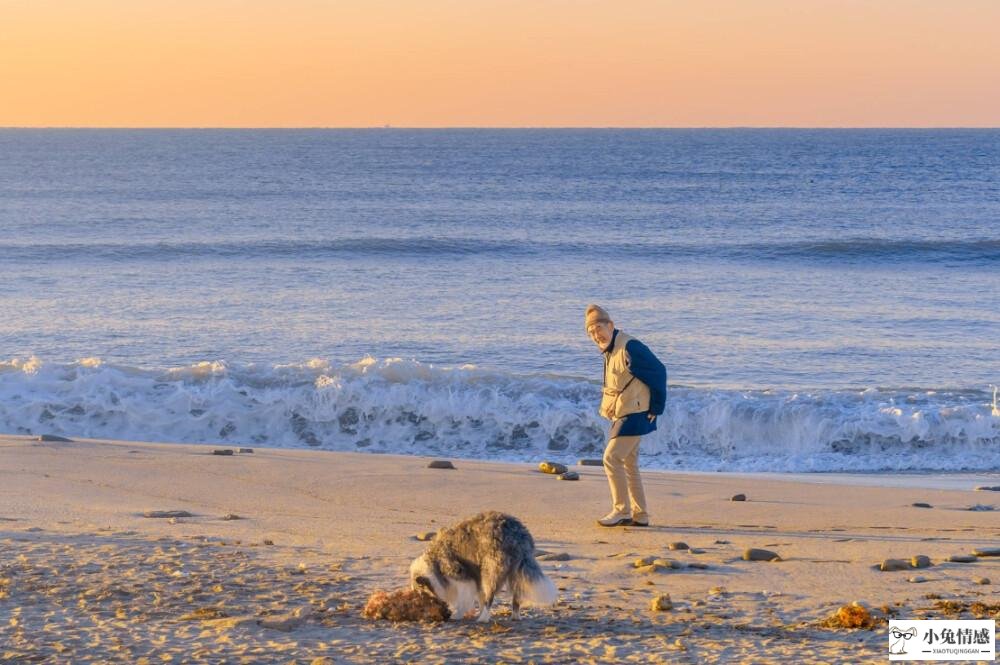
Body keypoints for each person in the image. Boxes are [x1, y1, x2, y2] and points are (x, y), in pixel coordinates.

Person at [584, 304, 667, 527]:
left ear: (611, 325)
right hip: (625, 412)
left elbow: (659, 372)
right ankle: (641, 516)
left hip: (637, 412)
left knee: (611, 459)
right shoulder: (611, 349)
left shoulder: (630, 346)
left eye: (599, 328)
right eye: (590, 332)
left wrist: (656, 409)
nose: (595, 335)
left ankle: (621, 510)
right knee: (629, 463)